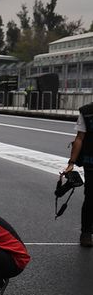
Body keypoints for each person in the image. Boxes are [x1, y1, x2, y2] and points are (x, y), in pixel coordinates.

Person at [63, 102, 93, 247]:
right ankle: (86, 233)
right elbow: (79, 138)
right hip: (91, 162)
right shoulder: (86, 111)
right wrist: (71, 163)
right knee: (91, 197)